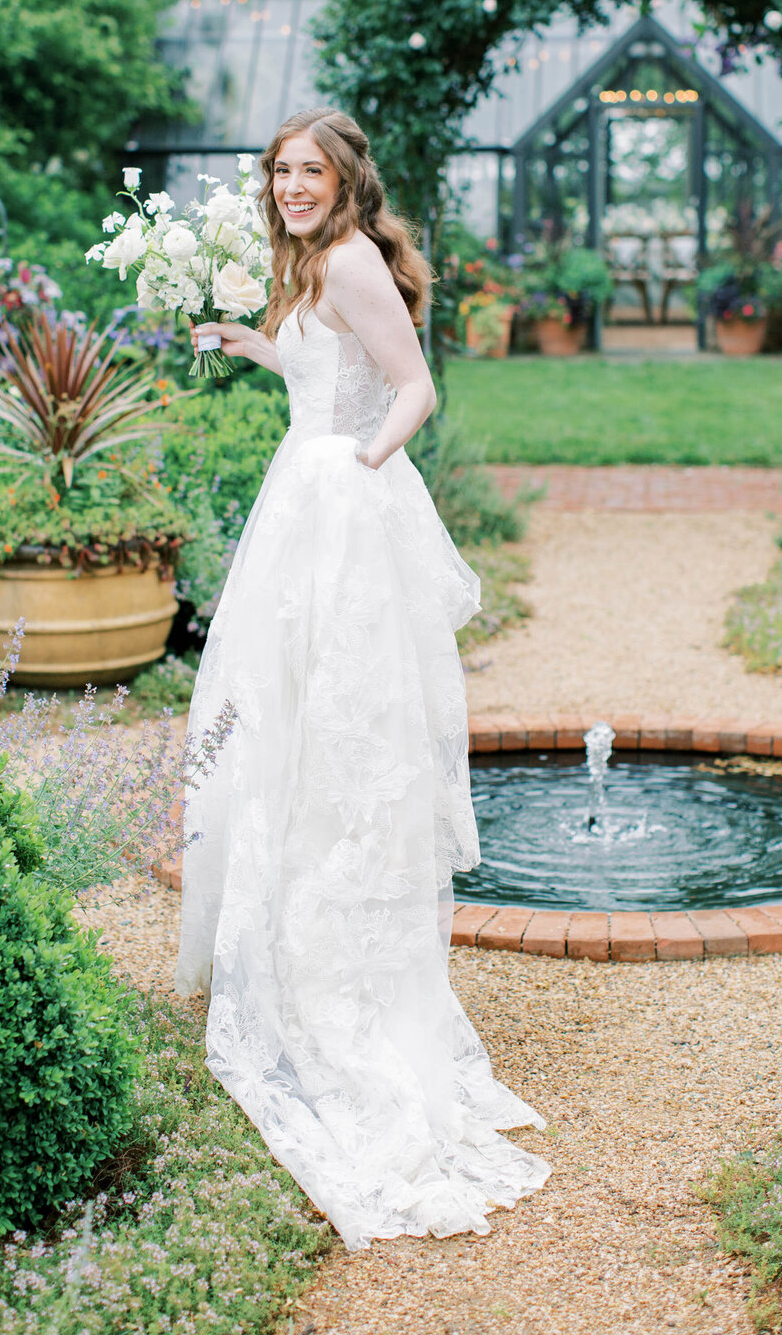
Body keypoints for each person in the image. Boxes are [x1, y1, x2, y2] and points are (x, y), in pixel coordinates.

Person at [175, 107, 550, 1250]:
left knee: (336, 729)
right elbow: (318, 367)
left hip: (336, 502)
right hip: (300, 501)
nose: (292, 186)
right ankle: (287, 923)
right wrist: (247, 342)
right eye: (281, 171)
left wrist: (359, 468)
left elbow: (411, 388)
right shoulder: (306, 265)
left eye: (311, 171)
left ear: (346, 182)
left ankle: (333, 967)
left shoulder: (345, 256)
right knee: (280, 715)